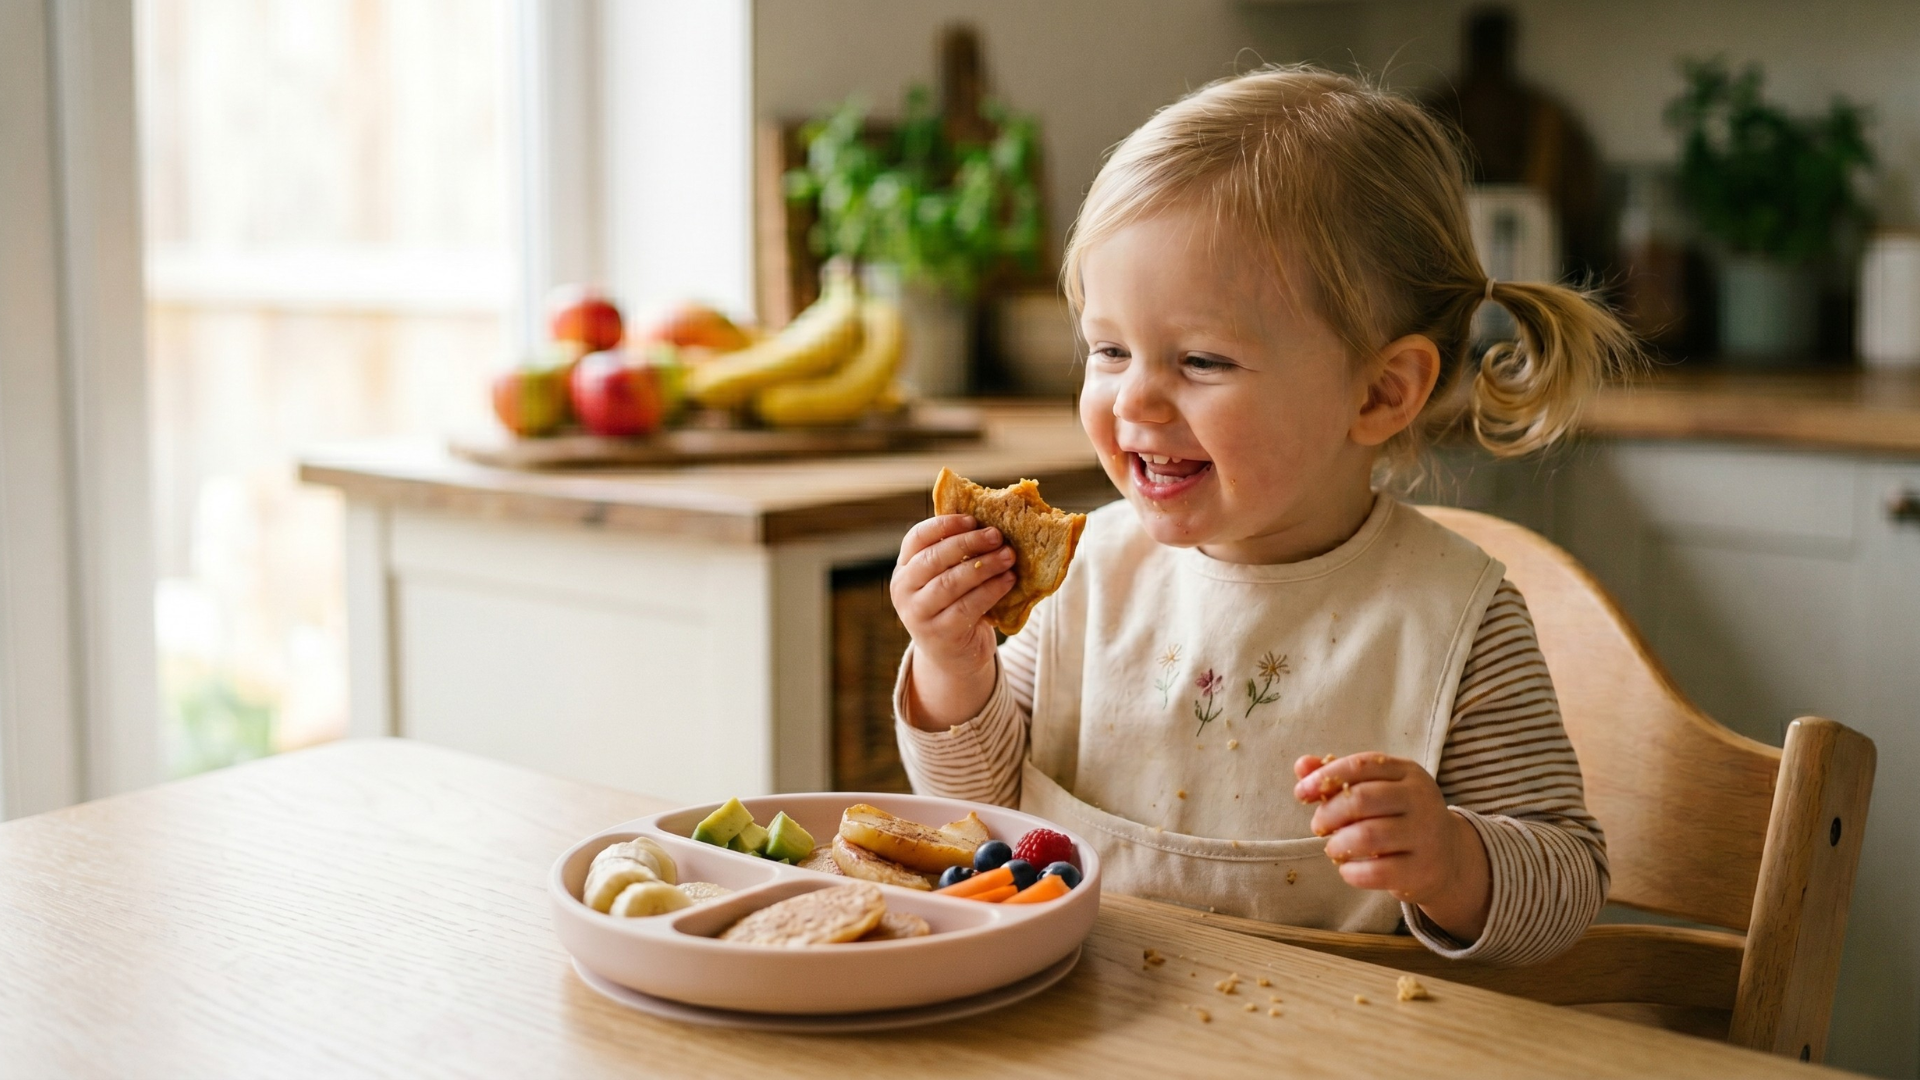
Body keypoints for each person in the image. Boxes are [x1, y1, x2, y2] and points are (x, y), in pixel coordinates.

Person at [889, 66, 1637, 965]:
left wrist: (1450, 861)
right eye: (1109, 349)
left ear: (1381, 392)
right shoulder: (1084, 579)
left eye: (1201, 360)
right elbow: (983, 809)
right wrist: (951, 665)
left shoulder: (1454, 619)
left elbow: (1567, 886)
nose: (1136, 401)